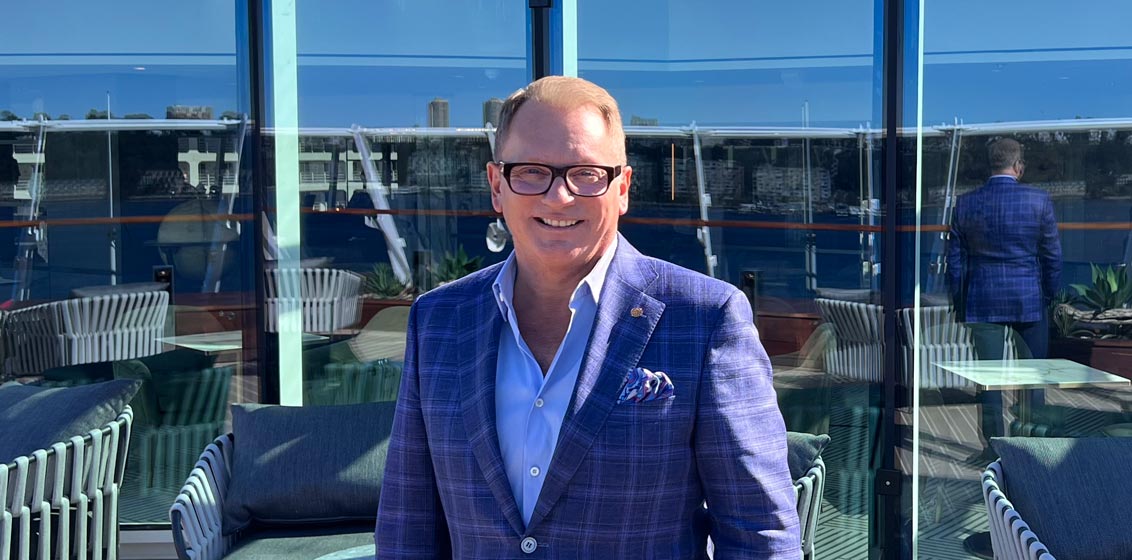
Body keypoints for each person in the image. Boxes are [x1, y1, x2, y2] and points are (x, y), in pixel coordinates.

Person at [376, 76, 800, 558]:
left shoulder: (705, 319)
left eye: (587, 173)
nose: (559, 196)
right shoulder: (438, 321)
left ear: (622, 188)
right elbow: (407, 528)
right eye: (531, 171)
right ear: (497, 185)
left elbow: (760, 534)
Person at [947, 137, 1062, 462]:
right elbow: (1052, 256)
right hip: (1028, 299)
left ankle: (993, 448)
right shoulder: (1038, 201)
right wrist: (1048, 295)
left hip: (983, 300)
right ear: (1018, 166)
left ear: (992, 165)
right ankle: (1031, 444)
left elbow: (955, 262)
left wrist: (960, 301)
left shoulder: (966, 203)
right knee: (1033, 377)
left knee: (989, 381)